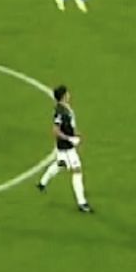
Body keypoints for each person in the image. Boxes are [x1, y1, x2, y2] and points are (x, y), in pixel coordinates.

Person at [36, 84, 91, 212]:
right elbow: (55, 130)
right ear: (63, 96)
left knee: (61, 165)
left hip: (67, 146)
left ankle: (42, 183)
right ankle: (82, 202)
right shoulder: (60, 112)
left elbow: (70, 125)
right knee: (77, 171)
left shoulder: (66, 108)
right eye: (67, 93)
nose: (69, 95)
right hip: (66, 147)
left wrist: (76, 134)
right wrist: (69, 139)